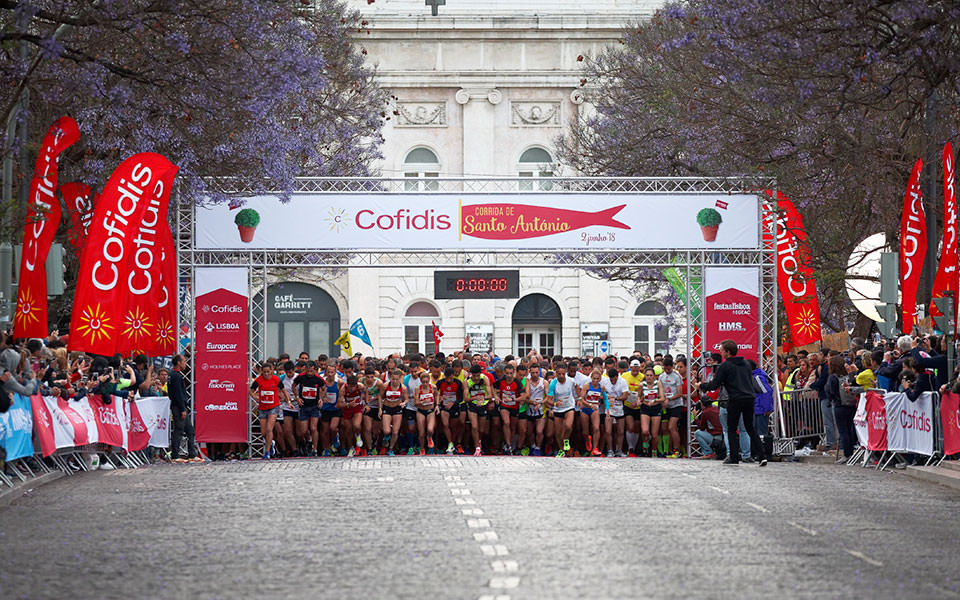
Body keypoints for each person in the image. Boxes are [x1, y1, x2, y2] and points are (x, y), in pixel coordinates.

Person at [696, 340, 768, 466]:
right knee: (749, 428)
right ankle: (762, 456)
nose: (721, 352)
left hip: (735, 399)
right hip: (749, 398)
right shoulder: (745, 364)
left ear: (728, 352)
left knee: (731, 429)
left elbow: (714, 384)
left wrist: (701, 385)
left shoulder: (725, 366)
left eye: (722, 350)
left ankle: (733, 457)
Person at [250, 362, 288, 460]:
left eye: (268, 372)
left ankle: (267, 452)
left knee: (268, 429)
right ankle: (271, 444)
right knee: (263, 433)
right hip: (262, 408)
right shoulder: (259, 380)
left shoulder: (276, 379)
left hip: (273, 407)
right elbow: (251, 390)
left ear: (272, 371)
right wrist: (255, 396)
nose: (266, 374)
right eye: (264, 372)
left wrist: (288, 401)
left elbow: (284, 390)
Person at [168, 354, 198, 461]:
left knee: (190, 430)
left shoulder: (173, 375)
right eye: (184, 361)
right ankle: (175, 456)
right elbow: (178, 394)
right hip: (179, 407)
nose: (185, 363)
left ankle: (192, 455)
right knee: (179, 431)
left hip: (180, 406)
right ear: (179, 363)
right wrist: (182, 409)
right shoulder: (175, 376)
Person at [546, 362, 578, 457]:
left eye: (563, 374)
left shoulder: (571, 381)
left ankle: (566, 440)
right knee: (558, 432)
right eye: (559, 374)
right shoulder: (553, 384)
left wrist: (579, 399)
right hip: (558, 409)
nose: (561, 376)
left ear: (566, 373)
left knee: (568, 426)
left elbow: (577, 389)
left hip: (569, 406)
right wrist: (555, 403)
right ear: (555, 373)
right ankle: (561, 449)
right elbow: (549, 400)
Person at [496, 363, 526, 455]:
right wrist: (496, 397)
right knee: (506, 422)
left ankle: (507, 443)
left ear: (513, 373)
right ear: (504, 372)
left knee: (512, 428)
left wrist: (514, 399)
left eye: (511, 373)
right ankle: (508, 445)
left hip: (514, 406)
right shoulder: (501, 381)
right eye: (507, 373)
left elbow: (523, 396)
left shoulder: (517, 382)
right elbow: (492, 387)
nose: (509, 375)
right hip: (504, 406)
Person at [295, 361, 324, 456]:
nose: (309, 373)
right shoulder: (301, 377)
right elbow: (293, 386)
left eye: (311, 371)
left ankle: (315, 449)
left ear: (315, 370)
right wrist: (297, 397)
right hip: (303, 406)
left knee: (313, 428)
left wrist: (321, 398)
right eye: (308, 371)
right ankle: (309, 440)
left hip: (314, 406)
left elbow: (324, 389)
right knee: (303, 430)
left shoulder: (318, 379)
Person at [658, 355, 684, 458]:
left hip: (676, 405)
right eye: (666, 368)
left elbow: (679, 393)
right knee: (665, 428)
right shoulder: (661, 376)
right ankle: (668, 450)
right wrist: (662, 399)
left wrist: (669, 399)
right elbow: (660, 390)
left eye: (669, 368)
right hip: (665, 406)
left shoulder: (677, 376)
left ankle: (676, 450)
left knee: (672, 427)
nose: (667, 370)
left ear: (672, 367)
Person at [466, 364, 494, 456]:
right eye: (474, 376)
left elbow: (490, 395)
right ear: (471, 375)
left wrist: (482, 399)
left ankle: (479, 442)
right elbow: (465, 398)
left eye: (478, 376)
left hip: (483, 404)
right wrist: (474, 398)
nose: (476, 378)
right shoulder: (467, 381)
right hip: (472, 404)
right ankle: (477, 447)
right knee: (474, 426)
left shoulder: (485, 379)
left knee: (481, 429)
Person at [380, 369, 408, 456]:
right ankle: (386, 437)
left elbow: (406, 399)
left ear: (400, 379)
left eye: (397, 379)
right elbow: (380, 396)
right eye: (393, 379)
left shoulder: (403, 388)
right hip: (387, 407)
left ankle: (391, 448)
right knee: (387, 430)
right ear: (390, 378)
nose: (395, 381)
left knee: (395, 431)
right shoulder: (385, 386)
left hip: (397, 408)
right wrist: (380, 409)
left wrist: (403, 403)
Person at [601, 367, 628, 457]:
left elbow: (625, 396)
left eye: (614, 380)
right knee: (608, 431)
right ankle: (610, 450)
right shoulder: (605, 382)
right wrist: (606, 397)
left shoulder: (622, 381)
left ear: (617, 377)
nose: (612, 381)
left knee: (620, 431)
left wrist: (615, 398)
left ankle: (619, 450)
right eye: (611, 380)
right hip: (609, 409)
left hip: (619, 408)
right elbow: (601, 394)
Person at [437, 367, 465, 454]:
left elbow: (461, 397)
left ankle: (453, 444)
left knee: (454, 427)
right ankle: (450, 443)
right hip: (444, 406)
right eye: (447, 378)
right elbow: (435, 393)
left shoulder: (458, 383)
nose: (449, 380)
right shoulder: (440, 382)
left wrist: (453, 403)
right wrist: (439, 399)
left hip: (454, 406)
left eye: (451, 378)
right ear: (444, 376)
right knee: (445, 424)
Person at [578, 368, 605, 456]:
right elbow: (581, 399)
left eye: (597, 379)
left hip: (595, 409)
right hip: (585, 408)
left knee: (596, 428)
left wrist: (602, 400)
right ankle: (587, 440)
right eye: (594, 378)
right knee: (585, 432)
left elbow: (604, 398)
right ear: (591, 378)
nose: (595, 380)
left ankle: (595, 448)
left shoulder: (601, 387)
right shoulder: (587, 386)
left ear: (600, 379)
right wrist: (589, 404)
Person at [638, 366, 664, 457]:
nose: (649, 377)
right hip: (645, 408)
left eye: (651, 375)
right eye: (647, 375)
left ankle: (654, 451)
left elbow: (662, 398)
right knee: (645, 431)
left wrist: (655, 401)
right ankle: (645, 441)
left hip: (656, 408)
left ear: (654, 376)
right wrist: (639, 401)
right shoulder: (642, 385)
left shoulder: (658, 383)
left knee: (654, 435)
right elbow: (639, 397)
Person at [338, 374, 365, 456]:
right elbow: (338, 404)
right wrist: (348, 404)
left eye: (354, 386)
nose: (352, 389)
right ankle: (351, 447)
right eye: (350, 387)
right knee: (348, 430)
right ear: (347, 384)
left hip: (357, 408)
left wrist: (366, 401)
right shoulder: (343, 389)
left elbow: (366, 391)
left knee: (356, 425)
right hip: (347, 408)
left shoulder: (360, 386)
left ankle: (358, 435)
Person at [413, 371, 438, 454]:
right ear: (420, 381)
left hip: (430, 410)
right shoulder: (418, 389)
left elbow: (437, 395)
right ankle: (422, 448)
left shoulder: (433, 387)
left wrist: (437, 405)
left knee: (430, 429)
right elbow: (415, 403)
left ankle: (430, 437)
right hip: (421, 411)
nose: (425, 384)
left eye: (427, 382)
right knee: (421, 433)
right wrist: (422, 402)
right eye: (423, 382)